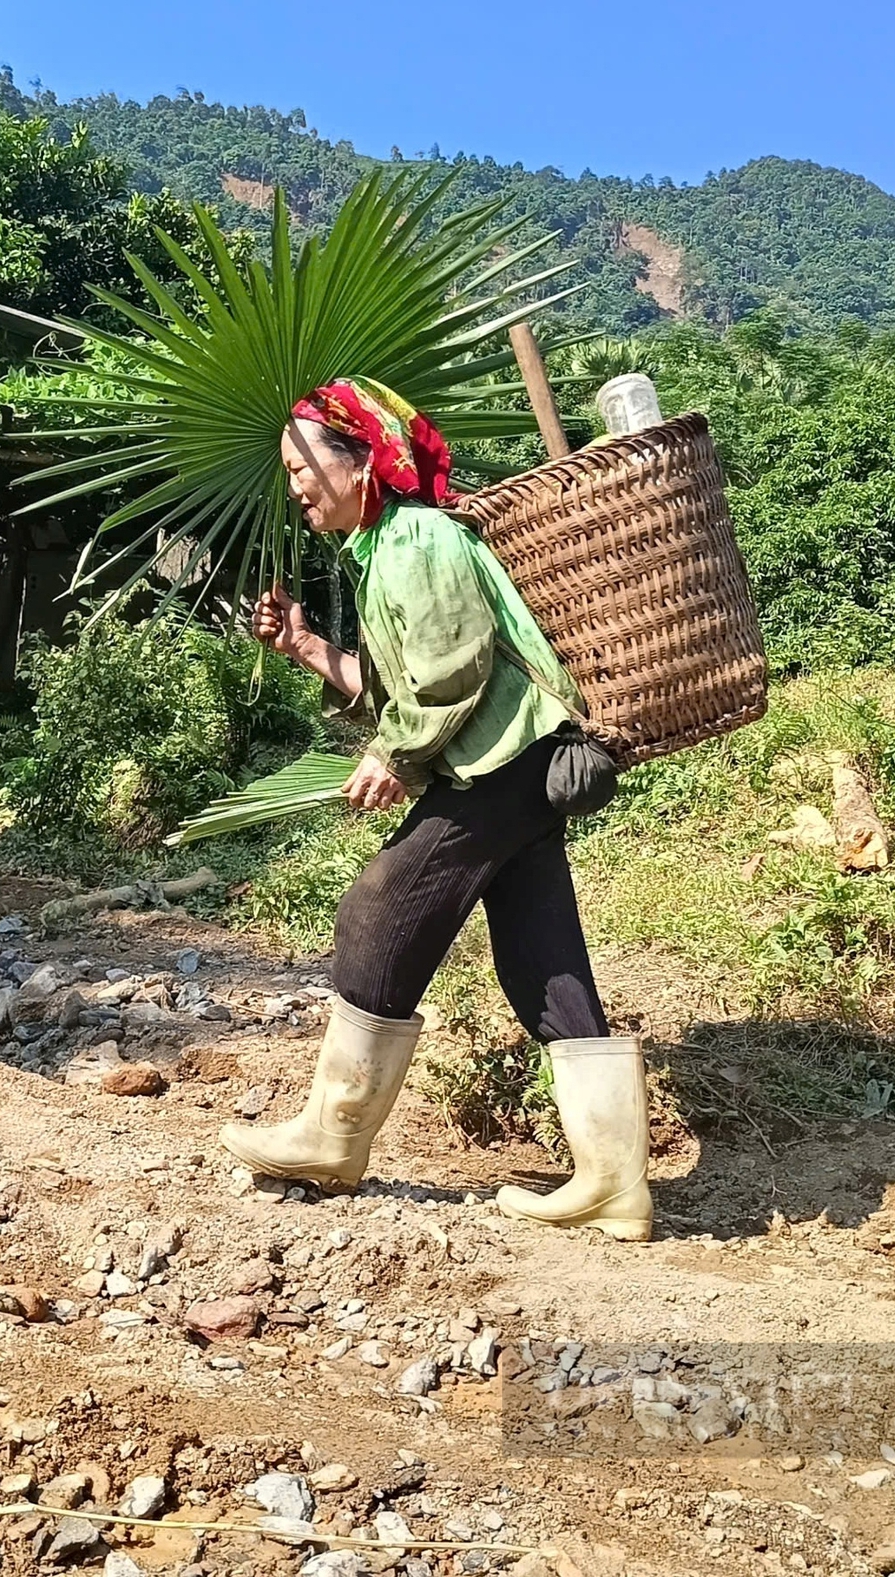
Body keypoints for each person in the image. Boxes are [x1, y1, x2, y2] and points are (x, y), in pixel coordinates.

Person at [216, 377, 652, 1238]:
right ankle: (615, 1179)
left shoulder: (416, 535)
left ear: (360, 459)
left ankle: (334, 1135)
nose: (294, 483)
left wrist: (394, 750)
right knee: (541, 956)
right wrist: (305, 644)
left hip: (500, 764)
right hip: (517, 768)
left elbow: (455, 670)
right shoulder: (384, 549)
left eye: (303, 463)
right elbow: (398, 688)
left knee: (379, 906)